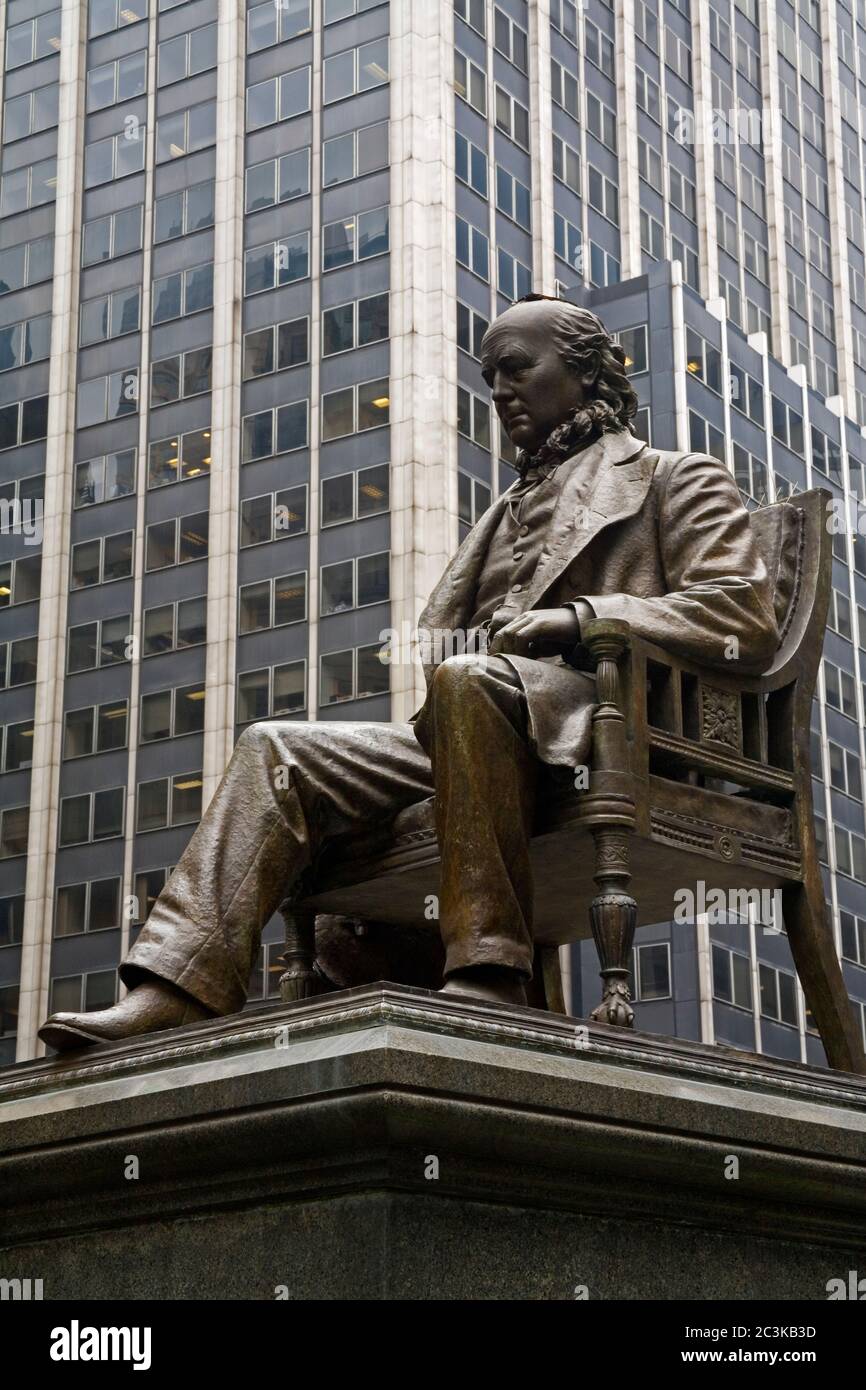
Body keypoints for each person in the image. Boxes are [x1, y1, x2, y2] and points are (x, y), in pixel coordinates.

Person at [39, 296, 778, 1049]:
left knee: (466, 680)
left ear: (585, 372)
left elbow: (742, 613)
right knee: (275, 748)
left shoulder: (674, 477)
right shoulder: (508, 509)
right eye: (489, 376)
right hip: (468, 731)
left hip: (601, 732)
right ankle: (176, 988)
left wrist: (582, 618)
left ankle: (491, 973)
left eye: (518, 369)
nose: (499, 391)